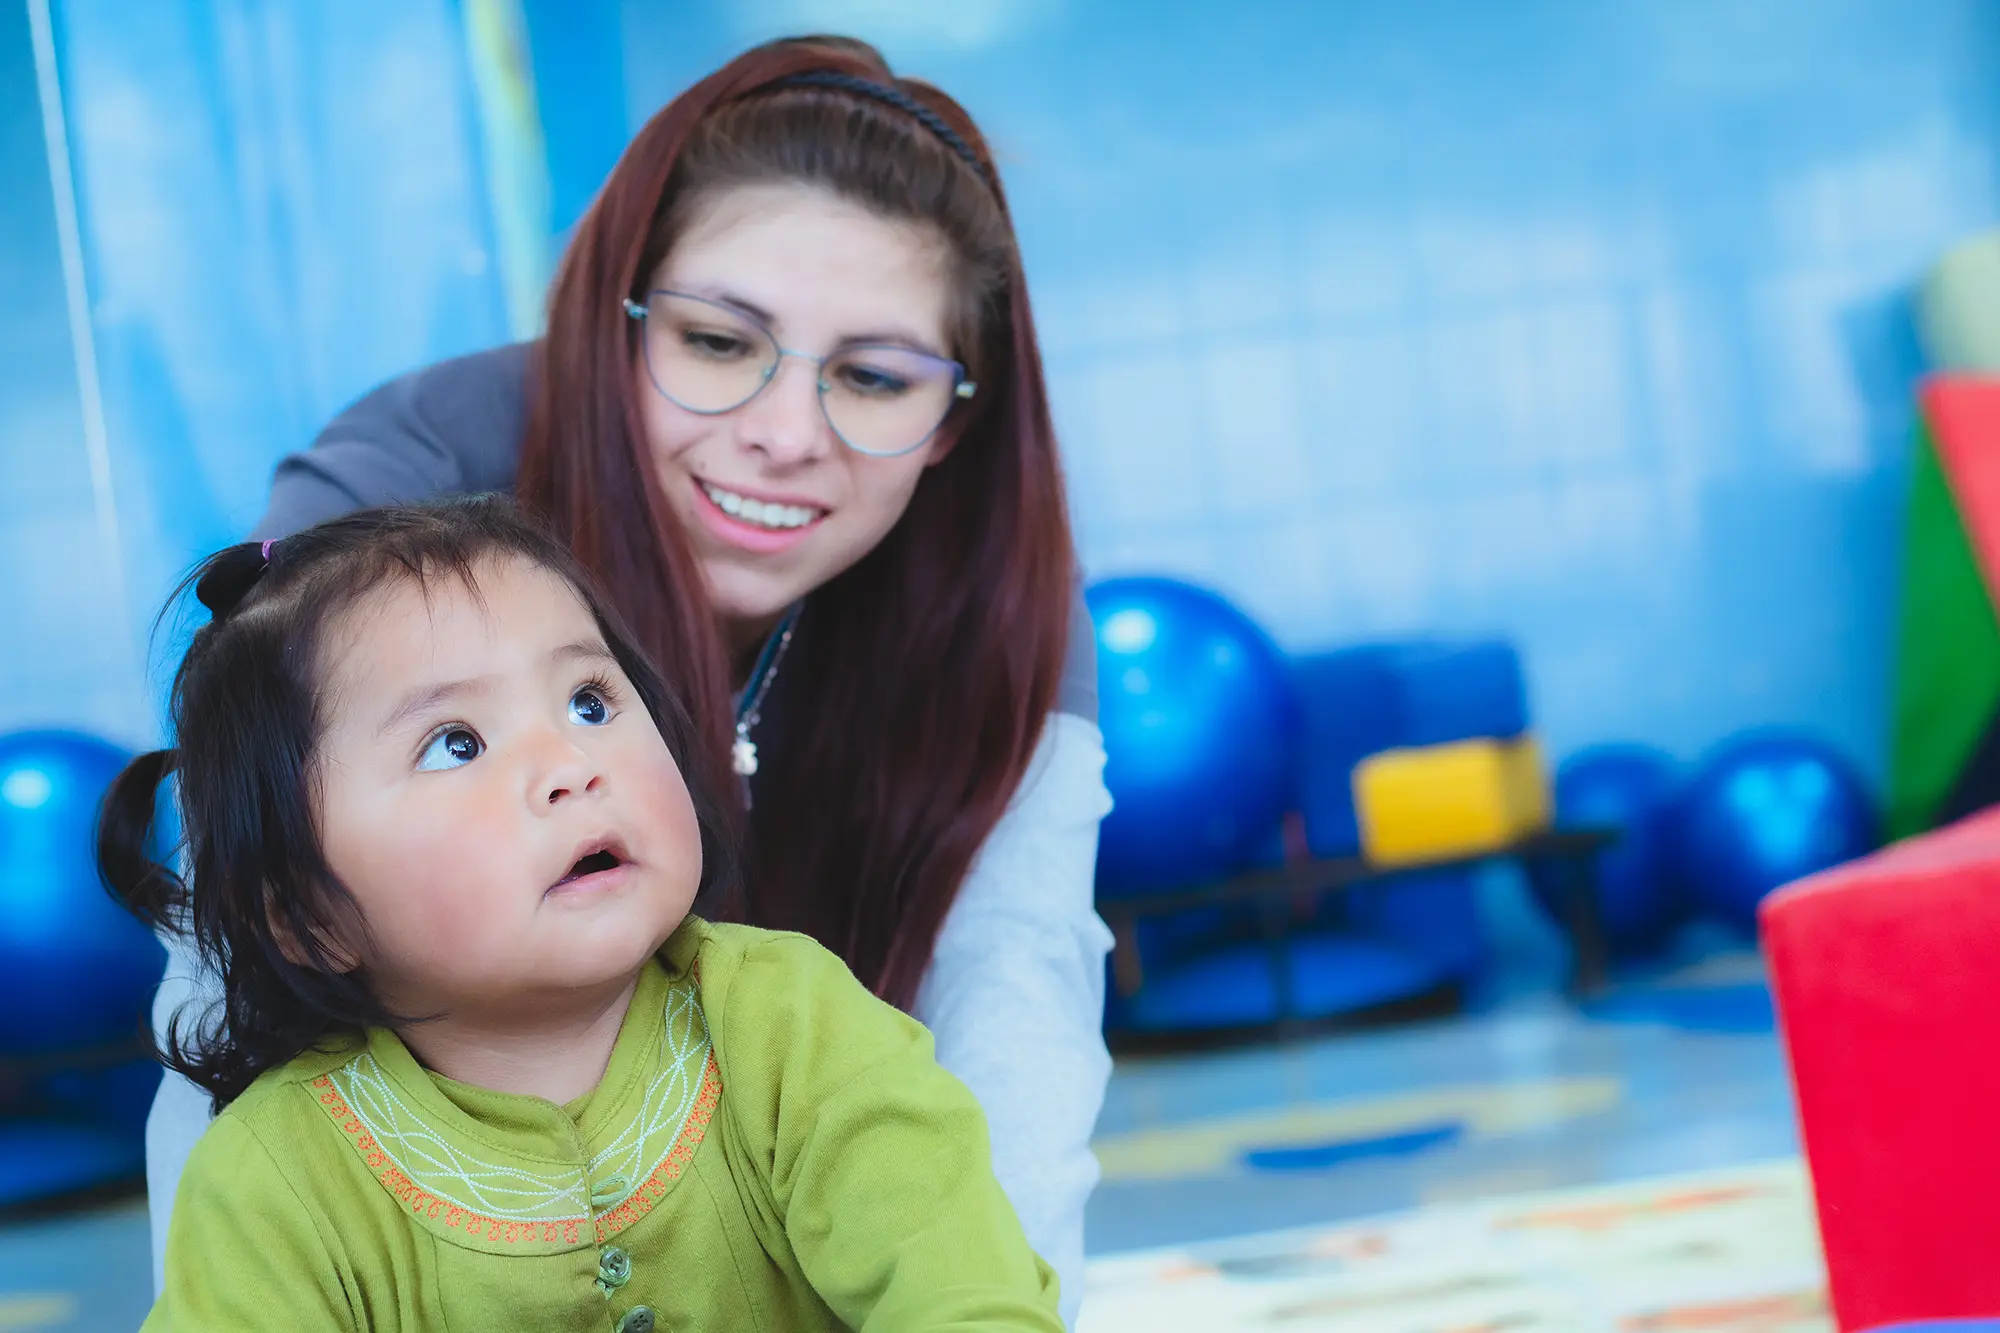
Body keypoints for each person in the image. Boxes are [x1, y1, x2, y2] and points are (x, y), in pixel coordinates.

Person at [144, 34, 1114, 1326]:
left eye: (875, 377)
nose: (784, 434)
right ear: (617, 315)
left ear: (957, 418)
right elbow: (236, 968)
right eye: (719, 343)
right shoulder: (404, 494)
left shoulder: (802, 1020)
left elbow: (1016, 1005)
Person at [105, 499, 1067, 1332]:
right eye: (456, 743)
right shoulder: (274, 1179)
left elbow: (962, 1287)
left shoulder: (792, 1022)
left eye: (591, 701)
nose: (572, 764)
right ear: (308, 914)